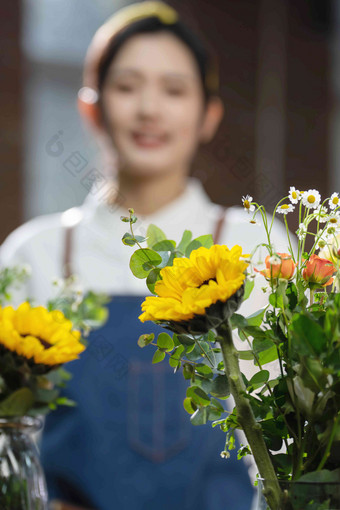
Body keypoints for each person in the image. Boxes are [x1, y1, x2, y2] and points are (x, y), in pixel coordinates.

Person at [0, 2, 290, 509]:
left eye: (174, 90)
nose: (149, 109)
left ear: (208, 115)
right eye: (127, 86)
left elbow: (288, 434)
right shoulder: (37, 253)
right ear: (91, 107)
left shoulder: (255, 244)